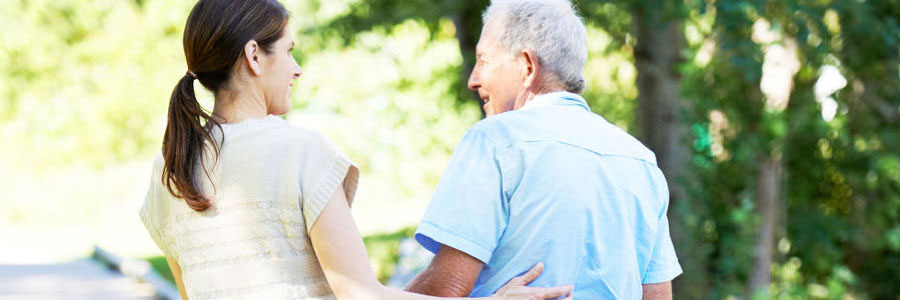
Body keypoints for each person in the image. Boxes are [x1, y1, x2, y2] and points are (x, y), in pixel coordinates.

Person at [138, 0, 574, 299]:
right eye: (289, 51)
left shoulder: (170, 167)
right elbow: (359, 293)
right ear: (254, 55)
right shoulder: (301, 152)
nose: (297, 68)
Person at [404, 0, 683, 299]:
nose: (473, 79)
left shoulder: (495, 140)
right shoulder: (639, 160)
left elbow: (444, 291)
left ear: (527, 66)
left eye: (484, 60)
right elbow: (657, 296)